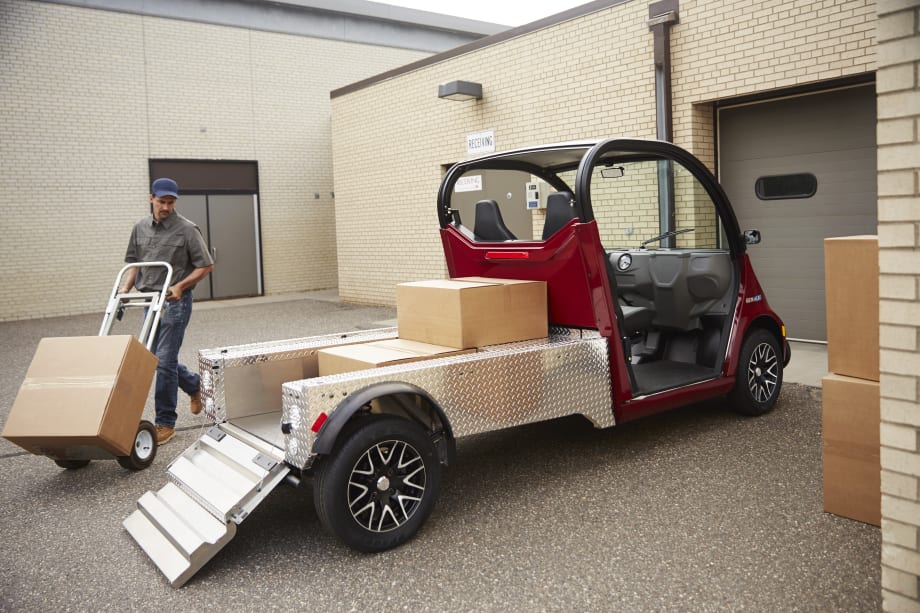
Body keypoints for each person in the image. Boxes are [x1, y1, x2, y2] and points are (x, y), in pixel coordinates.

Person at [120, 178, 214, 445]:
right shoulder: (140, 227)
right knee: (150, 357)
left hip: (174, 302)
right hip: (150, 302)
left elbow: (206, 265)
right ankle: (194, 385)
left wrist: (181, 285)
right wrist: (126, 288)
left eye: (170, 202)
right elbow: (134, 262)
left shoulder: (187, 230)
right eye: (161, 202)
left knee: (165, 360)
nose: (166, 207)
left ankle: (165, 423)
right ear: (151, 198)